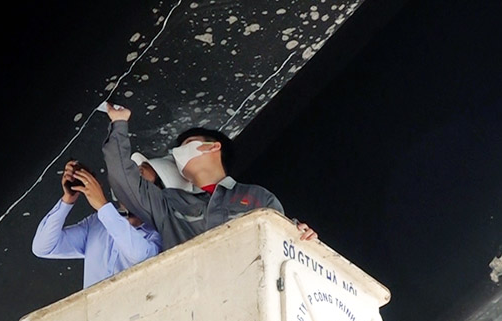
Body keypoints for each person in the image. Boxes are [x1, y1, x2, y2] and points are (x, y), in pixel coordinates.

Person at [102, 103, 317, 251]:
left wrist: (302, 234)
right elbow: (125, 181)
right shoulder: (170, 203)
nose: (179, 153)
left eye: (188, 144)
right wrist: (119, 123)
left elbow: (283, 242)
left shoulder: (257, 197)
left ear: (214, 147)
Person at [32, 160, 162, 289]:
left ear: (157, 196)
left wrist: (103, 206)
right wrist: (68, 199)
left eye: (139, 178)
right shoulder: (97, 223)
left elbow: (141, 258)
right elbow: (43, 247)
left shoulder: (160, 235)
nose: (128, 180)